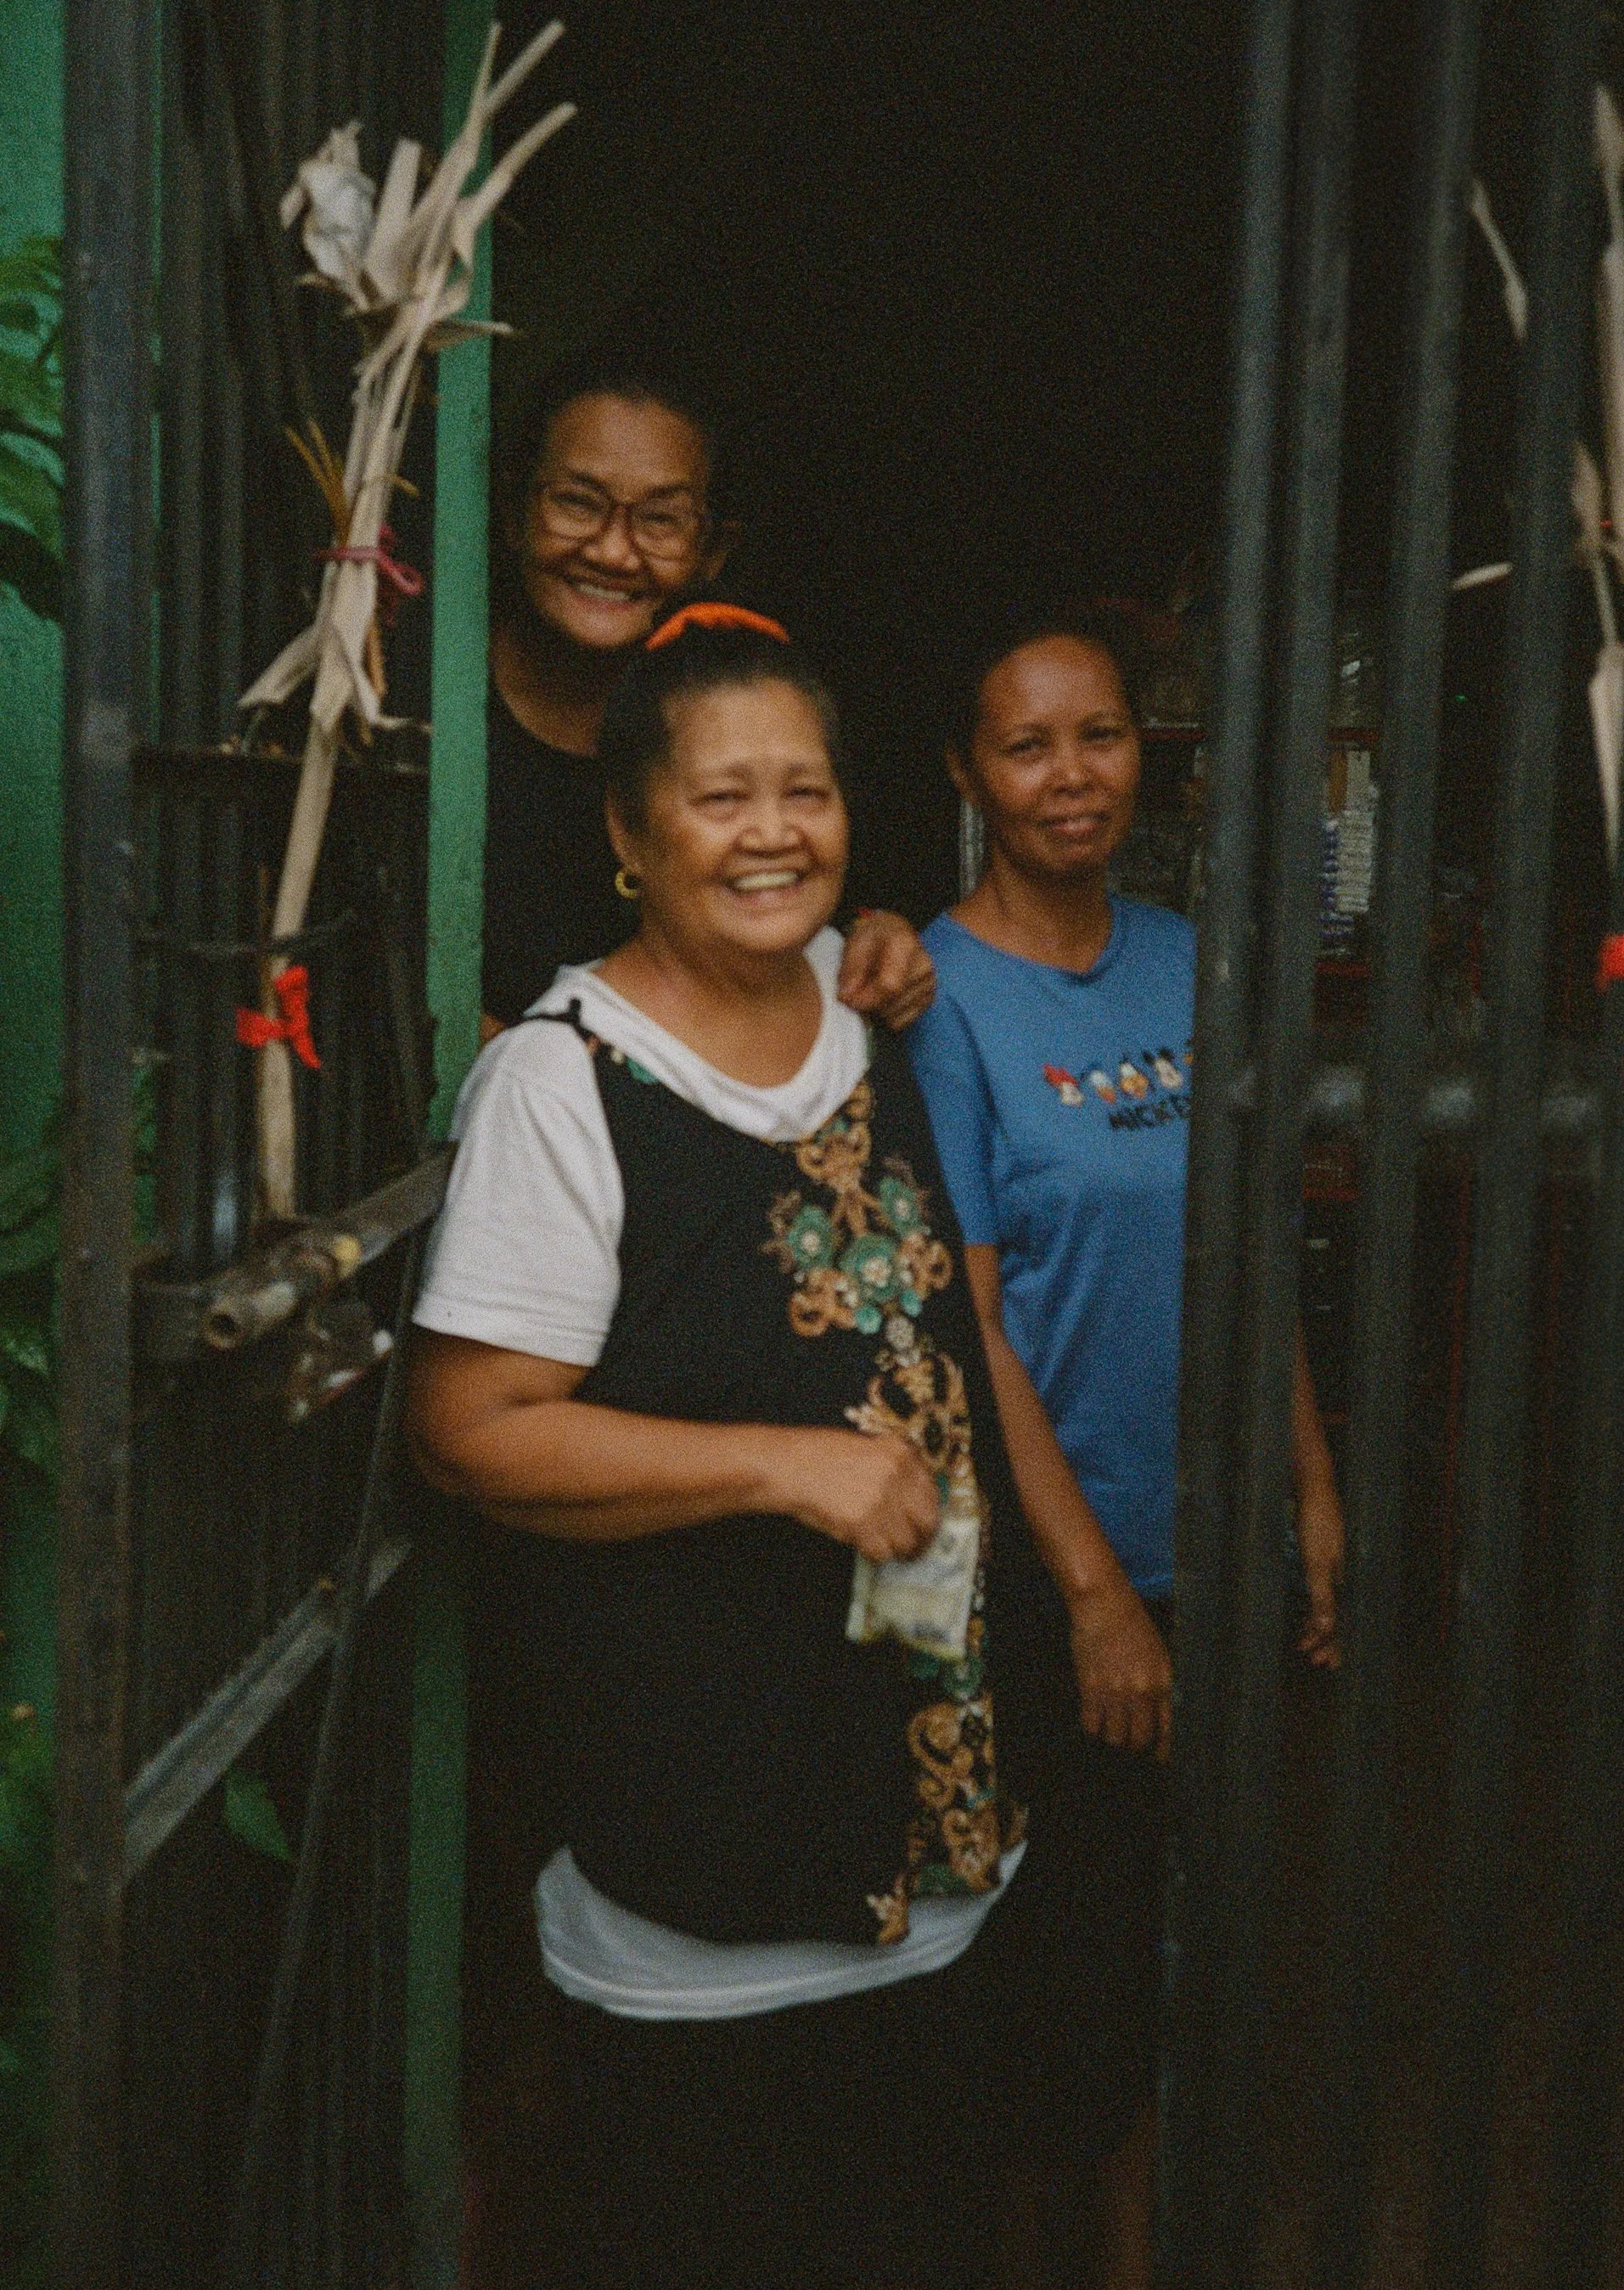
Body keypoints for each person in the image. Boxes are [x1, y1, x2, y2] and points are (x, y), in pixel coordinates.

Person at [409, 608, 1071, 2290]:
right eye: (720, 797)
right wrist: (783, 1465)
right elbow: (470, 1430)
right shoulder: (561, 1086)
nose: (773, 827)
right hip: (697, 1878)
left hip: (925, 1830)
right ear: (631, 836)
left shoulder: (885, 1029)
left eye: (806, 789)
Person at [905, 609, 1345, 2287]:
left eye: (1095, 733)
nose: (1069, 773)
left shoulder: (1183, 960)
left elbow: (1238, 1261)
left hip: (1206, 1536)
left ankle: (1133, 2253)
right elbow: (966, 1322)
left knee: (1173, 1942)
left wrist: (1305, 1485)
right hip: (1047, 1570)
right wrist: (1088, 1585)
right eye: (1025, 744)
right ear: (966, 771)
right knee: (1058, 1965)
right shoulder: (941, 994)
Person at [480, 355, 932, 1037]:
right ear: (514, 513)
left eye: (660, 520)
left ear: (712, 551)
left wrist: (878, 935)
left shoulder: (741, 712)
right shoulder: (420, 709)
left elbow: (818, 890)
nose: (612, 551)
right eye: (575, 502)